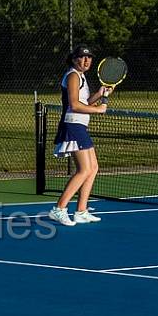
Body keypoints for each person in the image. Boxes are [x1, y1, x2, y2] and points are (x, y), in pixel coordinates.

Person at [48, 45, 109, 226]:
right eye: (82, 57)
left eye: (89, 57)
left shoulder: (81, 77)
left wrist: (99, 95)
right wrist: (98, 110)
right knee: (84, 170)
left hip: (80, 125)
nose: (86, 60)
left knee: (93, 168)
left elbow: (84, 102)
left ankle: (81, 211)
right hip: (73, 124)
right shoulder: (73, 75)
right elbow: (74, 105)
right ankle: (59, 208)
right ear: (74, 59)